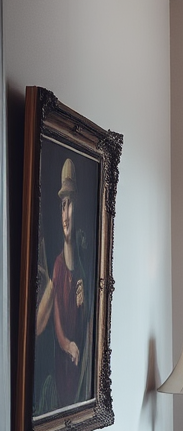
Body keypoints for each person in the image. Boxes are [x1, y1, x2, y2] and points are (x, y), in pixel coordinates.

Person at [51, 157, 89, 407]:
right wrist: (66, 345)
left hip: (80, 368)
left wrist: (83, 304)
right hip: (63, 364)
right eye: (62, 206)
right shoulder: (57, 265)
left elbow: (88, 318)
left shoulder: (83, 265)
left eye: (70, 205)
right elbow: (55, 316)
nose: (65, 214)